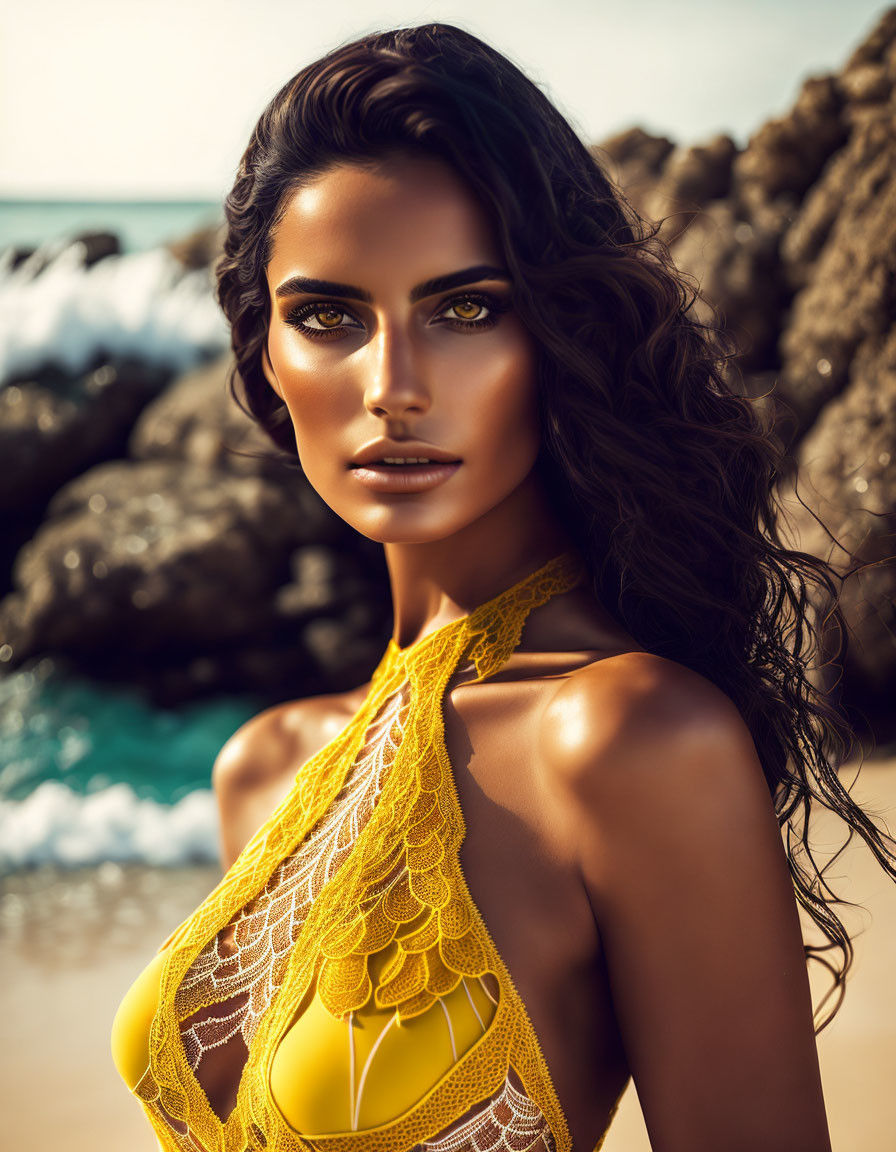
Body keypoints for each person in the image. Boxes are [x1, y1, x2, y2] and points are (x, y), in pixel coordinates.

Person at [111, 23, 895, 1152]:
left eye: (464, 308)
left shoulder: (628, 742)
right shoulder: (265, 770)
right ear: (263, 355)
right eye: (328, 317)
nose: (393, 388)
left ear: (556, 335)